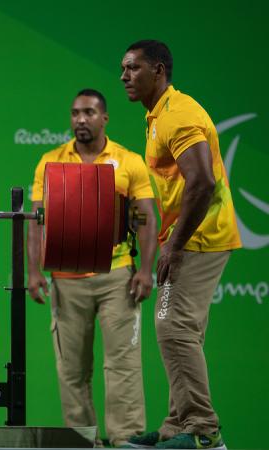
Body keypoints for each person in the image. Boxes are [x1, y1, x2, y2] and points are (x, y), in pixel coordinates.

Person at [120, 40, 241, 450]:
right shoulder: (157, 117)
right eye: (123, 69)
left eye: (133, 68)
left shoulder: (179, 115)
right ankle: (177, 426)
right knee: (184, 329)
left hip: (201, 236)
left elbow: (203, 181)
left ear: (158, 70)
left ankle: (205, 433)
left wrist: (174, 245)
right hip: (191, 234)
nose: (124, 76)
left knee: (173, 327)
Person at [27, 89, 157, 447]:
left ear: (104, 118)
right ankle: (83, 441)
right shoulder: (50, 162)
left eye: (88, 112)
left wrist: (146, 270)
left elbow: (146, 218)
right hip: (66, 278)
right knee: (71, 370)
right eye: (74, 113)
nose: (80, 120)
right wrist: (34, 271)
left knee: (123, 365)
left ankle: (126, 439)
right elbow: (36, 220)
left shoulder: (128, 161)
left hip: (117, 276)